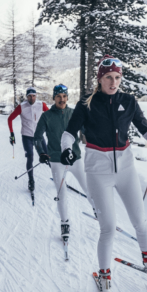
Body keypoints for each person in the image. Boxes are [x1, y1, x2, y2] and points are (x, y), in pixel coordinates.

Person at [60, 56, 147, 292]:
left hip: (126, 169)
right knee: (108, 227)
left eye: (117, 77)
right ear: (100, 79)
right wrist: (67, 150)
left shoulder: (128, 101)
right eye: (108, 77)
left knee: (140, 221)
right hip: (98, 171)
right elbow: (68, 134)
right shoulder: (85, 105)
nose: (113, 82)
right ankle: (104, 276)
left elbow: (144, 128)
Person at [36, 84, 96, 240]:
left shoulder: (73, 113)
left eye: (64, 96)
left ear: (67, 97)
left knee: (88, 188)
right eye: (58, 96)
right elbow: (37, 137)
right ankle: (64, 223)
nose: (61, 99)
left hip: (75, 158)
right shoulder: (46, 116)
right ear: (54, 98)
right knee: (61, 193)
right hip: (56, 160)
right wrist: (42, 152)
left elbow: (87, 131)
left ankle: (99, 212)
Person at [7, 87, 48, 191]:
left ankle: (58, 178)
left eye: (33, 96)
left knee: (47, 156)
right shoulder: (21, 107)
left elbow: (51, 115)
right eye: (29, 96)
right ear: (27, 97)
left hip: (38, 136)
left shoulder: (41, 105)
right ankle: (31, 180)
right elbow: (10, 118)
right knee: (30, 156)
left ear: (36, 96)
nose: (32, 98)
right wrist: (12, 134)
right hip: (27, 136)